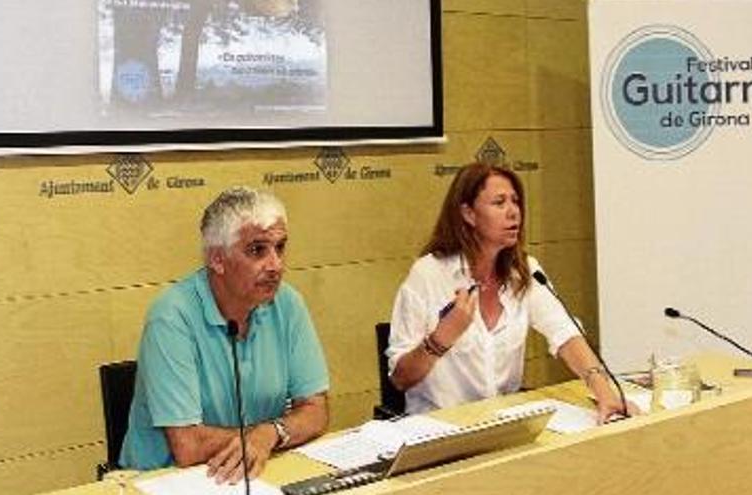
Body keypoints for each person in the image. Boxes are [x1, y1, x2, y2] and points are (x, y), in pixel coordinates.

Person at [387, 163, 631, 423]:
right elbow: (401, 378)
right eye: (499, 202)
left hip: (505, 424)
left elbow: (566, 335)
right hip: (440, 427)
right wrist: (440, 339)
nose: (514, 212)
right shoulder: (429, 274)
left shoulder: (524, 271)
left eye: (516, 201)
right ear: (468, 213)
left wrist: (604, 392)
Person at [120, 186, 329, 484]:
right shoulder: (171, 317)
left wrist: (269, 434)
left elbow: (316, 411)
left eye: (280, 247)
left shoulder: (288, 303)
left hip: (253, 474)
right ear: (217, 259)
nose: (276, 265)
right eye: (258, 250)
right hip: (167, 480)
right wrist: (255, 440)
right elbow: (188, 445)